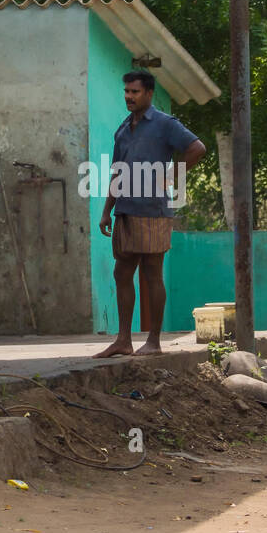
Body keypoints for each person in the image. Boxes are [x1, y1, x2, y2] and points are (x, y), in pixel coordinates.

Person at [95, 70, 206, 357]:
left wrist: (172, 176)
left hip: (154, 211)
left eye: (134, 92)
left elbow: (197, 148)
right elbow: (117, 173)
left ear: (148, 94)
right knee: (122, 272)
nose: (128, 96)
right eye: (126, 92)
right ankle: (123, 340)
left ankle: (154, 342)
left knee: (152, 273)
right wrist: (107, 211)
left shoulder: (165, 124)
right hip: (125, 211)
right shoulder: (123, 128)